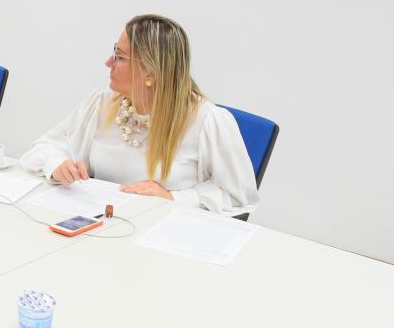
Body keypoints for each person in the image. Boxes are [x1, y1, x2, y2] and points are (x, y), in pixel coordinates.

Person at [21, 14, 259, 216]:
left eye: (120, 57)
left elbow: (238, 196)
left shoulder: (207, 121)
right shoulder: (101, 102)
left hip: (161, 239)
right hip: (100, 225)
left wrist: (172, 198)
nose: (108, 62)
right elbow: (41, 148)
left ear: (151, 72)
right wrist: (56, 165)